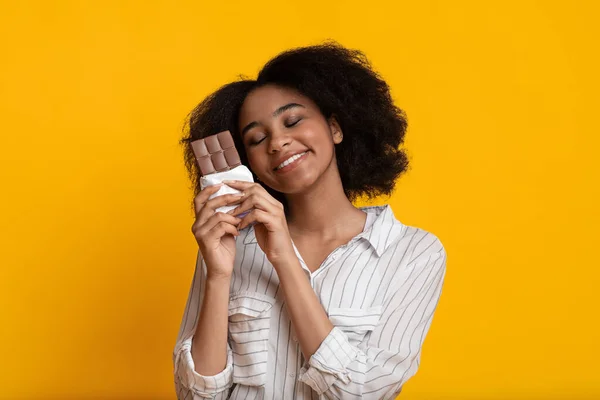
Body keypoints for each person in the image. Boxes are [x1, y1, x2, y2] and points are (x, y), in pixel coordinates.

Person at [173, 41, 447, 400]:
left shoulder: (413, 252)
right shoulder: (229, 245)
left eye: (292, 120)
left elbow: (362, 392)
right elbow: (194, 397)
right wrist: (220, 274)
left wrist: (284, 257)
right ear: (249, 163)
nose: (278, 142)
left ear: (335, 128)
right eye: (257, 139)